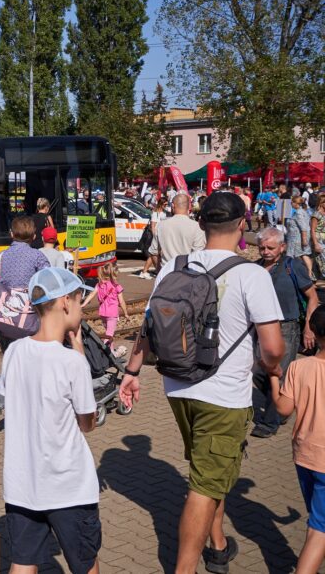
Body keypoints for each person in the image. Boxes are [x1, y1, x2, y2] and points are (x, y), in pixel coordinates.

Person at [119, 191, 285, 574]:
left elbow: (148, 327)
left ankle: (218, 543)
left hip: (177, 386)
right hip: (223, 394)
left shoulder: (174, 265)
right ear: (243, 226)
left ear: (202, 224)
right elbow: (273, 348)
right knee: (204, 485)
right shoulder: (251, 274)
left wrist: (131, 372)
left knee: (207, 471)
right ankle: (185, 569)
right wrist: (270, 368)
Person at [0, 267, 101, 574]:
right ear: (65, 302)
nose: (82, 307)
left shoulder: (14, 352)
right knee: (84, 563)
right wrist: (80, 352)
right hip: (68, 486)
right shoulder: (72, 362)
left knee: (23, 561)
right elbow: (88, 422)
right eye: (80, 299)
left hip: (22, 485)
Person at [0, 215, 50, 442]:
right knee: (25, 366)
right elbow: (45, 280)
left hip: (1, 318)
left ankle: (21, 411)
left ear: (11, 234)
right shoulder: (38, 256)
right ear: (35, 236)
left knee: (12, 361)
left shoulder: (0, 257)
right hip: (25, 322)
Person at [268, 305, 325, 574]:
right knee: (320, 528)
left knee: (318, 518)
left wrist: (273, 379)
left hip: (305, 457)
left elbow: (283, 409)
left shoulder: (299, 368)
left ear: (313, 330)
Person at [251, 227, 318, 439]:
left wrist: (309, 327)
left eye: (271, 247)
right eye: (262, 247)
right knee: (257, 371)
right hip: (260, 327)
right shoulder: (255, 268)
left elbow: (313, 297)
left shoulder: (292, 266)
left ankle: (270, 422)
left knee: (276, 372)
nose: (265, 251)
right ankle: (285, 401)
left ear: (282, 247)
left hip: (286, 326)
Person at [83, 261, 129, 358]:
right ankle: (104, 354)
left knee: (109, 332)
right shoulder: (117, 287)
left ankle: (111, 351)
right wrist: (125, 313)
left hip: (103, 313)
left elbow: (91, 294)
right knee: (109, 334)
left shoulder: (99, 285)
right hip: (112, 314)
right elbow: (122, 302)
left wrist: (83, 304)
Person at [149, 193, 206, 267]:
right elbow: (199, 255)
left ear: (172, 206)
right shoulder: (197, 227)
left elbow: (153, 253)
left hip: (167, 273)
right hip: (188, 273)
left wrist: (159, 271)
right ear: (189, 207)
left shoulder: (161, 225)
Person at [135, 197, 168, 279]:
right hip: (156, 236)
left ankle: (146, 271)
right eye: (165, 204)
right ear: (161, 204)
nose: (166, 206)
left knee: (154, 254)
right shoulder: (155, 213)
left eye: (167, 204)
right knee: (154, 254)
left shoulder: (164, 212)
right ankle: (155, 271)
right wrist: (155, 237)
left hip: (161, 235)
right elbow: (153, 226)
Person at [288, 196, 314, 276]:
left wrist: (304, 239)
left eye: (292, 202)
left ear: (296, 203)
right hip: (298, 237)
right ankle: (308, 273)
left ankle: (309, 273)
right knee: (303, 255)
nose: (291, 203)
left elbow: (303, 227)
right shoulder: (302, 211)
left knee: (302, 255)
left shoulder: (299, 213)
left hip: (298, 238)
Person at [312, 197, 325, 280]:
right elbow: (312, 230)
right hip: (318, 239)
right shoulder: (316, 214)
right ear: (321, 203)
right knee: (322, 261)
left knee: (318, 263)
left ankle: (313, 282)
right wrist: (315, 244)